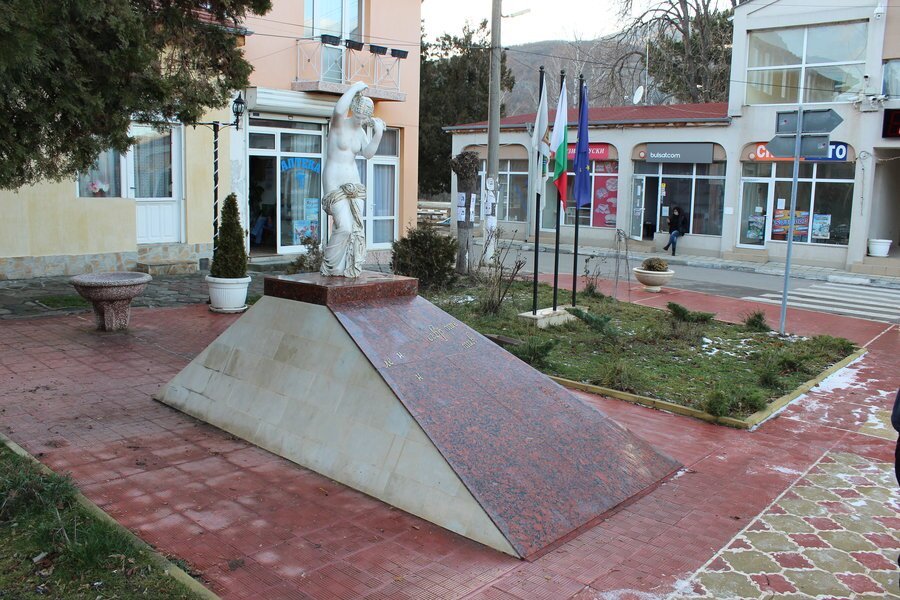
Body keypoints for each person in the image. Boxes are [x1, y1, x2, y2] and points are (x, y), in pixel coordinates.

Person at [320, 81, 385, 277]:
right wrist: (355, 88)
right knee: (345, 227)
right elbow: (339, 109)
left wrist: (378, 134)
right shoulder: (338, 124)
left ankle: (346, 265)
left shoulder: (361, 131)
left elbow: (368, 154)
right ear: (353, 110)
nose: (360, 120)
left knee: (356, 228)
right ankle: (330, 266)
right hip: (334, 179)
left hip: (354, 182)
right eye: (358, 116)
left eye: (364, 118)